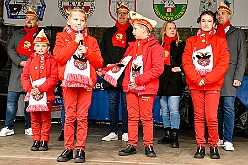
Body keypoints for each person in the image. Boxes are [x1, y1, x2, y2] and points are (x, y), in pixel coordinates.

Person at [54, 9, 103, 163]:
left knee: (82, 116)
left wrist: (87, 52)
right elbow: (59, 57)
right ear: (68, 21)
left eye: (81, 20)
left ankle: (80, 148)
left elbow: (99, 62)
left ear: (85, 23)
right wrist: (75, 42)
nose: (78, 23)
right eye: (75, 20)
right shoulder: (61, 37)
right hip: (69, 82)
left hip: (86, 83)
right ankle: (68, 148)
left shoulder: (92, 40)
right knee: (69, 116)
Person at [182, 11, 230, 159]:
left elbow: (223, 63)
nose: (206, 23)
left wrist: (207, 79)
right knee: (198, 116)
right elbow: (186, 62)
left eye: (209, 21)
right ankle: (200, 146)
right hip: (196, 85)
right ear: (199, 22)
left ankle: (214, 146)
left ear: (214, 23)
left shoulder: (221, 41)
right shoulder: (191, 41)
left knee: (211, 117)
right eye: (203, 21)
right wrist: (197, 79)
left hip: (212, 85)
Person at [118, 11, 164, 157]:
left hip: (146, 87)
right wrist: (109, 70)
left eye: (135, 28)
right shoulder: (131, 46)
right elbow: (123, 64)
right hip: (131, 87)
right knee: (131, 117)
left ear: (143, 29)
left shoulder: (155, 47)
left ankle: (148, 145)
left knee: (146, 117)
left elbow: (158, 69)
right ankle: (131, 144)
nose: (132, 31)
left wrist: (138, 80)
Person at [0, 7, 39, 137]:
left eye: (32, 19)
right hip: (17, 71)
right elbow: (10, 49)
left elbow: (43, 51)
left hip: (33, 72)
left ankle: (29, 126)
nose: (29, 21)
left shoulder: (40, 35)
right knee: (11, 101)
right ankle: (8, 126)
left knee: (30, 102)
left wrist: (30, 63)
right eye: (27, 19)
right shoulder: (17, 34)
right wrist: (19, 62)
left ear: (36, 22)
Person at [100, 2, 135, 142]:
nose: (122, 16)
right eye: (120, 13)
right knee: (113, 103)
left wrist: (123, 64)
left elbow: (134, 52)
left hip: (126, 73)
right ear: (116, 15)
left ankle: (126, 131)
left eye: (124, 14)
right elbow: (102, 50)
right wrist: (109, 64)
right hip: (111, 73)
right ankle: (113, 131)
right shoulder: (108, 32)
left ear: (128, 16)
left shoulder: (133, 32)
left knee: (127, 104)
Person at [216, 1, 247, 151]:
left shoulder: (237, 32)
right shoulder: (214, 31)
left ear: (229, 15)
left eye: (223, 13)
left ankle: (228, 139)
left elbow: (242, 56)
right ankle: (220, 137)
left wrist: (238, 77)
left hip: (230, 74)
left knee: (228, 107)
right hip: (215, 74)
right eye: (218, 13)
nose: (220, 15)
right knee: (218, 108)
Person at [21, 29, 58, 151]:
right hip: (32, 94)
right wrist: (30, 89)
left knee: (46, 118)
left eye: (43, 46)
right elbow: (25, 76)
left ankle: (44, 140)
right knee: (34, 118)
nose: (40, 48)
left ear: (48, 47)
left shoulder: (52, 60)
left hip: (47, 94)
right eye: (38, 46)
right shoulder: (30, 60)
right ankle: (36, 139)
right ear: (34, 47)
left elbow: (54, 78)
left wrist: (41, 89)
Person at [157, 21, 186, 148]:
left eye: (174, 28)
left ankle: (175, 137)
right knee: (164, 110)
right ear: (164, 31)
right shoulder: (158, 45)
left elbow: (189, 60)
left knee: (173, 110)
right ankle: (167, 135)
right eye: (170, 28)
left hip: (174, 79)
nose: (173, 30)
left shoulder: (181, 44)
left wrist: (181, 69)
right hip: (162, 80)